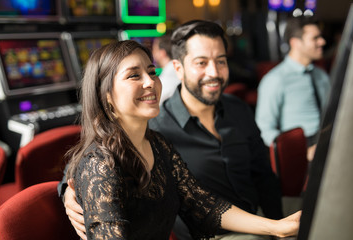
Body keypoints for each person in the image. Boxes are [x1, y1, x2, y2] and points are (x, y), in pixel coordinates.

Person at [62, 39, 300, 240]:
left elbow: (202, 203)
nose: (150, 82)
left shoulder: (157, 144)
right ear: (107, 96)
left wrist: (276, 227)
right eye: (134, 75)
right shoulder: (100, 163)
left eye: (152, 72)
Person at [255, 16, 331, 161]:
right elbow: (264, 129)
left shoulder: (321, 75)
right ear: (296, 43)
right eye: (315, 38)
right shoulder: (275, 79)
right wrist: (299, 152)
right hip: (300, 149)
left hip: (326, 140)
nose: (322, 42)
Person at [152, 31, 181, 105]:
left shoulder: (164, 81)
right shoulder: (182, 71)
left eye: (154, 50)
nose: (153, 53)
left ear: (162, 53)